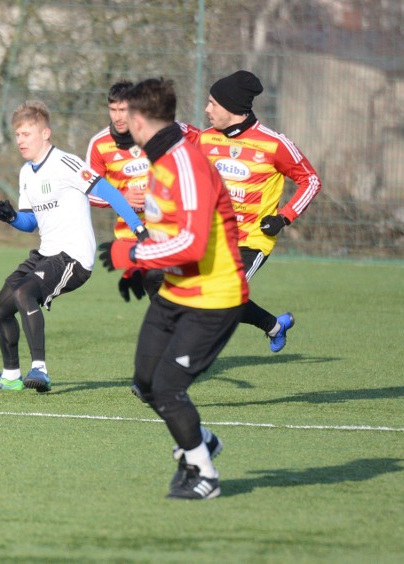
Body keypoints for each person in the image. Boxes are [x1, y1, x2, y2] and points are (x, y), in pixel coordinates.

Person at [98, 78, 248, 500]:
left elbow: (194, 244)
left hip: (215, 298)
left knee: (167, 387)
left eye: (126, 115)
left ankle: (204, 473)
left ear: (140, 120)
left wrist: (133, 255)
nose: (120, 122)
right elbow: (168, 231)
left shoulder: (187, 164)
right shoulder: (159, 161)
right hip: (175, 292)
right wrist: (136, 268)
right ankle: (200, 439)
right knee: (145, 383)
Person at [0, 100, 148, 393]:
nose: (20, 141)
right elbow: (31, 223)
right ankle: (10, 376)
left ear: (45, 134)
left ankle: (39, 370)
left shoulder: (66, 163)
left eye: (26, 134)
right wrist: (13, 218)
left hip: (74, 257)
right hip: (46, 253)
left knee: (23, 293)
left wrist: (140, 230)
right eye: (17, 135)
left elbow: (112, 193)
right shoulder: (26, 173)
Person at [200, 70, 321, 352]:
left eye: (212, 104)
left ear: (231, 107)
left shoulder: (274, 143)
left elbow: (311, 180)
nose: (207, 109)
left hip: (250, 241)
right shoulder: (205, 140)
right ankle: (274, 325)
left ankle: (170, 373)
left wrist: (284, 217)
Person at [86, 80, 201, 302]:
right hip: (130, 234)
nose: (118, 117)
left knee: (164, 283)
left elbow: (203, 139)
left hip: (167, 227)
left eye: (123, 110)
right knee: (157, 285)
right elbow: (89, 192)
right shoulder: (100, 144)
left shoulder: (160, 131)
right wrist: (120, 199)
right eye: (113, 110)